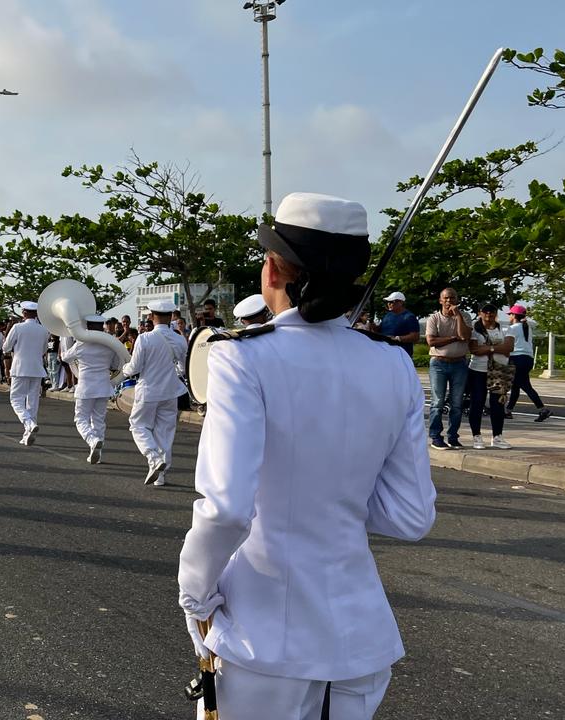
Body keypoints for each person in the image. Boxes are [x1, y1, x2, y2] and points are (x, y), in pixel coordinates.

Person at [178, 192, 435, 720]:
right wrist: (337, 485)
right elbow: (411, 518)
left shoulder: (241, 356)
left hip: (263, 636)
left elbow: (226, 508)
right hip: (359, 640)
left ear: (273, 268)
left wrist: (195, 596)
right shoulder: (393, 365)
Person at [123, 300, 187, 485]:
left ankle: (153, 458)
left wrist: (123, 369)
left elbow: (134, 368)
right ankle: (161, 475)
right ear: (170, 317)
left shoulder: (145, 338)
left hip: (148, 391)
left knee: (138, 425)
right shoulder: (179, 339)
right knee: (165, 432)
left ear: (151, 317)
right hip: (170, 391)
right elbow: (182, 369)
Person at [60, 314, 119, 464]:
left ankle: (92, 441)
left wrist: (65, 339)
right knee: (98, 420)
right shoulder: (110, 343)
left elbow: (65, 358)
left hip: (86, 387)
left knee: (80, 419)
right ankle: (97, 452)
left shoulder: (81, 343)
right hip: (104, 386)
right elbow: (115, 364)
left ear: (88, 327)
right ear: (102, 327)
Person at [426, 288, 472, 450]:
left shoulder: (465, 316)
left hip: (459, 363)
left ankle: (453, 436)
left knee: (457, 403)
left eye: (452, 298)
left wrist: (458, 316)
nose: (449, 301)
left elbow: (465, 336)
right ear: (440, 300)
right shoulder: (434, 318)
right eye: (445, 298)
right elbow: (431, 341)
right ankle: (435, 436)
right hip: (438, 363)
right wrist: (453, 338)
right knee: (437, 402)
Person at [2, 301, 49, 445]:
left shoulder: (17, 327)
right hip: (36, 368)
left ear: (24, 313)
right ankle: (27, 433)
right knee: (32, 401)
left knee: (16, 399)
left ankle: (28, 424)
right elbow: (43, 351)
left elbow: (6, 347)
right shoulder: (43, 329)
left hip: (20, 367)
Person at [467, 304, 513, 449]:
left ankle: (497, 436)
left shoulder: (505, 328)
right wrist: (497, 348)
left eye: (492, 311)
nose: (489, 314)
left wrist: (488, 348)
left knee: (498, 404)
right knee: (477, 402)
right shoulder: (475, 329)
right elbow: (474, 349)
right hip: (478, 370)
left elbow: (508, 348)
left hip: (499, 370)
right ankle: (477, 436)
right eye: (485, 312)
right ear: (480, 313)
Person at [505, 304, 552, 422]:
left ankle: (543, 409)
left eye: (510, 314)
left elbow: (503, 339)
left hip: (517, 358)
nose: (509, 316)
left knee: (525, 386)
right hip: (528, 359)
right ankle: (508, 411)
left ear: (514, 315)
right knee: (516, 385)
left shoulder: (512, 328)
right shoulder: (527, 328)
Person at [378, 292, 419, 357]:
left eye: (392, 302)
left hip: (402, 355)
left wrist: (397, 338)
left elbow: (415, 337)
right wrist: (373, 327)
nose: (389, 304)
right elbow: (380, 330)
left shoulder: (409, 317)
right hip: (386, 353)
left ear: (401, 302)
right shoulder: (387, 315)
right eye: (388, 302)